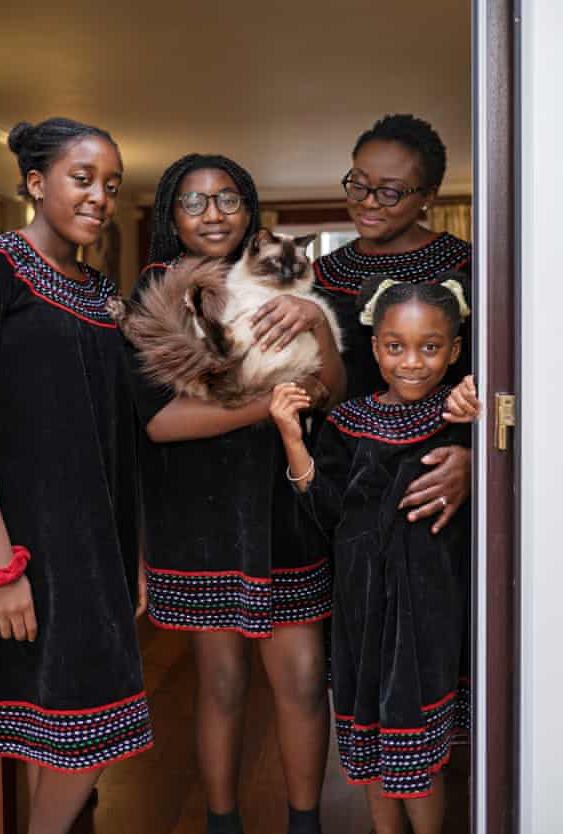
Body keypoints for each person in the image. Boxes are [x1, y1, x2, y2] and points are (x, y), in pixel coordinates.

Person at [129, 153, 346, 834]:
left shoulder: (292, 281)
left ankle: (305, 823)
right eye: (193, 202)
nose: (213, 213)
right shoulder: (158, 292)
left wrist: (310, 324)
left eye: (227, 198)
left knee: (305, 678)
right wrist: (271, 406)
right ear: (171, 217)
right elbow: (160, 421)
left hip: (287, 504)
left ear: (251, 210)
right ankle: (223, 823)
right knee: (220, 683)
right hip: (200, 512)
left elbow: (333, 390)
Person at [0, 118, 152, 834]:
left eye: (111, 184)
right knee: (69, 727)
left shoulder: (103, 293)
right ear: (36, 185)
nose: (101, 196)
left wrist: (127, 552)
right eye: (83, 179)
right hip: (16, 546)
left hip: (90, 551)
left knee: (81, 729)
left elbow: (117, 438)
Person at [270, 277, 480, 834]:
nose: (411, 362)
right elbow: (327, 514)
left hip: (429, 613)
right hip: (362, 614)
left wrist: (473, 431)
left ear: (455, 350)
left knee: (417, 757)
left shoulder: (464, 415)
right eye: (395, 346)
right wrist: (293, 439)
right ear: (374, 348)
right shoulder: (349, 422)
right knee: (374, 754)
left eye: (430, 347)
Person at [314, 114, 472, 535]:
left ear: (429, 196)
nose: (367, 202)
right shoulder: (320, 277)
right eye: (359, 184)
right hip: (344, 479)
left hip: (432, 478)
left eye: (390, 192)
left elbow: (501, 387)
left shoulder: (469, 270)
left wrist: (476, 458)